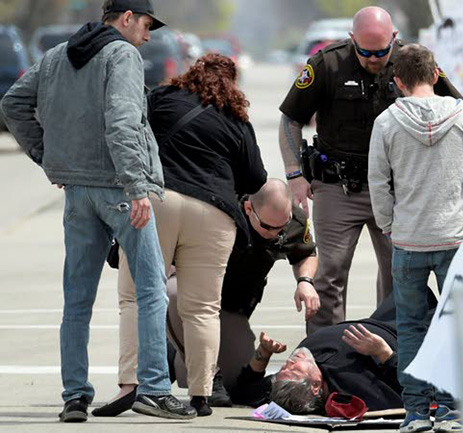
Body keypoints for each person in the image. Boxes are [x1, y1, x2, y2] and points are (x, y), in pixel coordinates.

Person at [0, 0, 197, 422]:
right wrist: (136, 185)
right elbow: (123, 119)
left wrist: (48, 156)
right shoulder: (122, 54)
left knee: (77, 298)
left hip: (76, 191)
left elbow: (14, 101)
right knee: (150, 290)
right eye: (146, 25)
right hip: (121, 191)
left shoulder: (56, 55)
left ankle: (74, 396)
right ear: (126, 18)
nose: (148, 36)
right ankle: (155, 388)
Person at [94, 52, 267, 418]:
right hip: (215, 214)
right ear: (232, 84)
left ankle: (132, 384)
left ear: (191, 73)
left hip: (158, 202)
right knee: (202, 309)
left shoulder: (162, 99)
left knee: (138, 297)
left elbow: (130, 133)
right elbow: (255, 179)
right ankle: (202, 394)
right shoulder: (237, 120)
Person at [278, 6, 463, 335]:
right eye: (364, 52)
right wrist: (294, 174)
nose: (374, 59)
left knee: (399, 272)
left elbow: (454, 109)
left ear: (394, 38)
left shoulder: (412, 61)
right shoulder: (327, 63)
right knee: (330, 272)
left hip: (397, 189)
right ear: (352, 40)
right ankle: (325, 353)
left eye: (381, 51)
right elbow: (291, 118)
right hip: (339, 188)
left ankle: (391, 352)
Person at [368, 43, 463, 433]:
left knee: (410, 327)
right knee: (454, 324)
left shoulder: (386, 122)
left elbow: (378, 181)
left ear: (398, 81)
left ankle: (417, 412)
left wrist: (388, 223)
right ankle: (453, 409)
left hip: (407, 239)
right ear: (436, 75)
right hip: (455, 236)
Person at [165, 179, 319, 406]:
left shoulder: (294, 220)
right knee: (174, 292)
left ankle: (175, 356)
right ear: (248, 208)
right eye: (267, 227)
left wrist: (305, 281)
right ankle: (205, 370)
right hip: (198, 294)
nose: (274, 233)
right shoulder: (222, 208)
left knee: (238, 388)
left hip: (233, 309)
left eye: (281, 227)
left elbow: (306, 253)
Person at [226, 293, 404, 413]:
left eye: (283, 368)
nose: (289, 362)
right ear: (315, 385)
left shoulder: (286, 386)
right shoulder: (350, 384)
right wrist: (385, 354)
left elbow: (242, 393)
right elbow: (412, 394)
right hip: (408, 328)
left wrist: (263, 355)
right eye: (296, 370)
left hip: (384, 312)